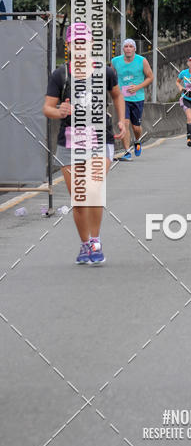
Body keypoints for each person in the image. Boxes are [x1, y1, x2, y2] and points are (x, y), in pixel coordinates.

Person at [42, 22, 126, 265]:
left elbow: (117, 95)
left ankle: (96, 240)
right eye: (75, 43)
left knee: (93, 190)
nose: (80, 46)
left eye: (84, 42)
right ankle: (85, 244)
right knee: (79, 199)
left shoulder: (105, 72)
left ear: (91, 44)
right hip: (70, 142)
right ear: (68, 45)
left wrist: (123, 120)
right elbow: (47, 108)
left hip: (101, 139)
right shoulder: (61, 74)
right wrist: (59, 111)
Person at [111, 38, 154, 160]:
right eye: (126, 46)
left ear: (135, 49)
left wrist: (137, 87)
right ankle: (127, 151)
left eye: (131, 46)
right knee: (124, 123)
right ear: (123, 49)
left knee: (136, 127)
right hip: (122, 98)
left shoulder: (142, 61)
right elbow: (111, 77)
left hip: (137, 98)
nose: (128, 49)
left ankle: (137, 140)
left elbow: (150, 77)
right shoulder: (115, 61)